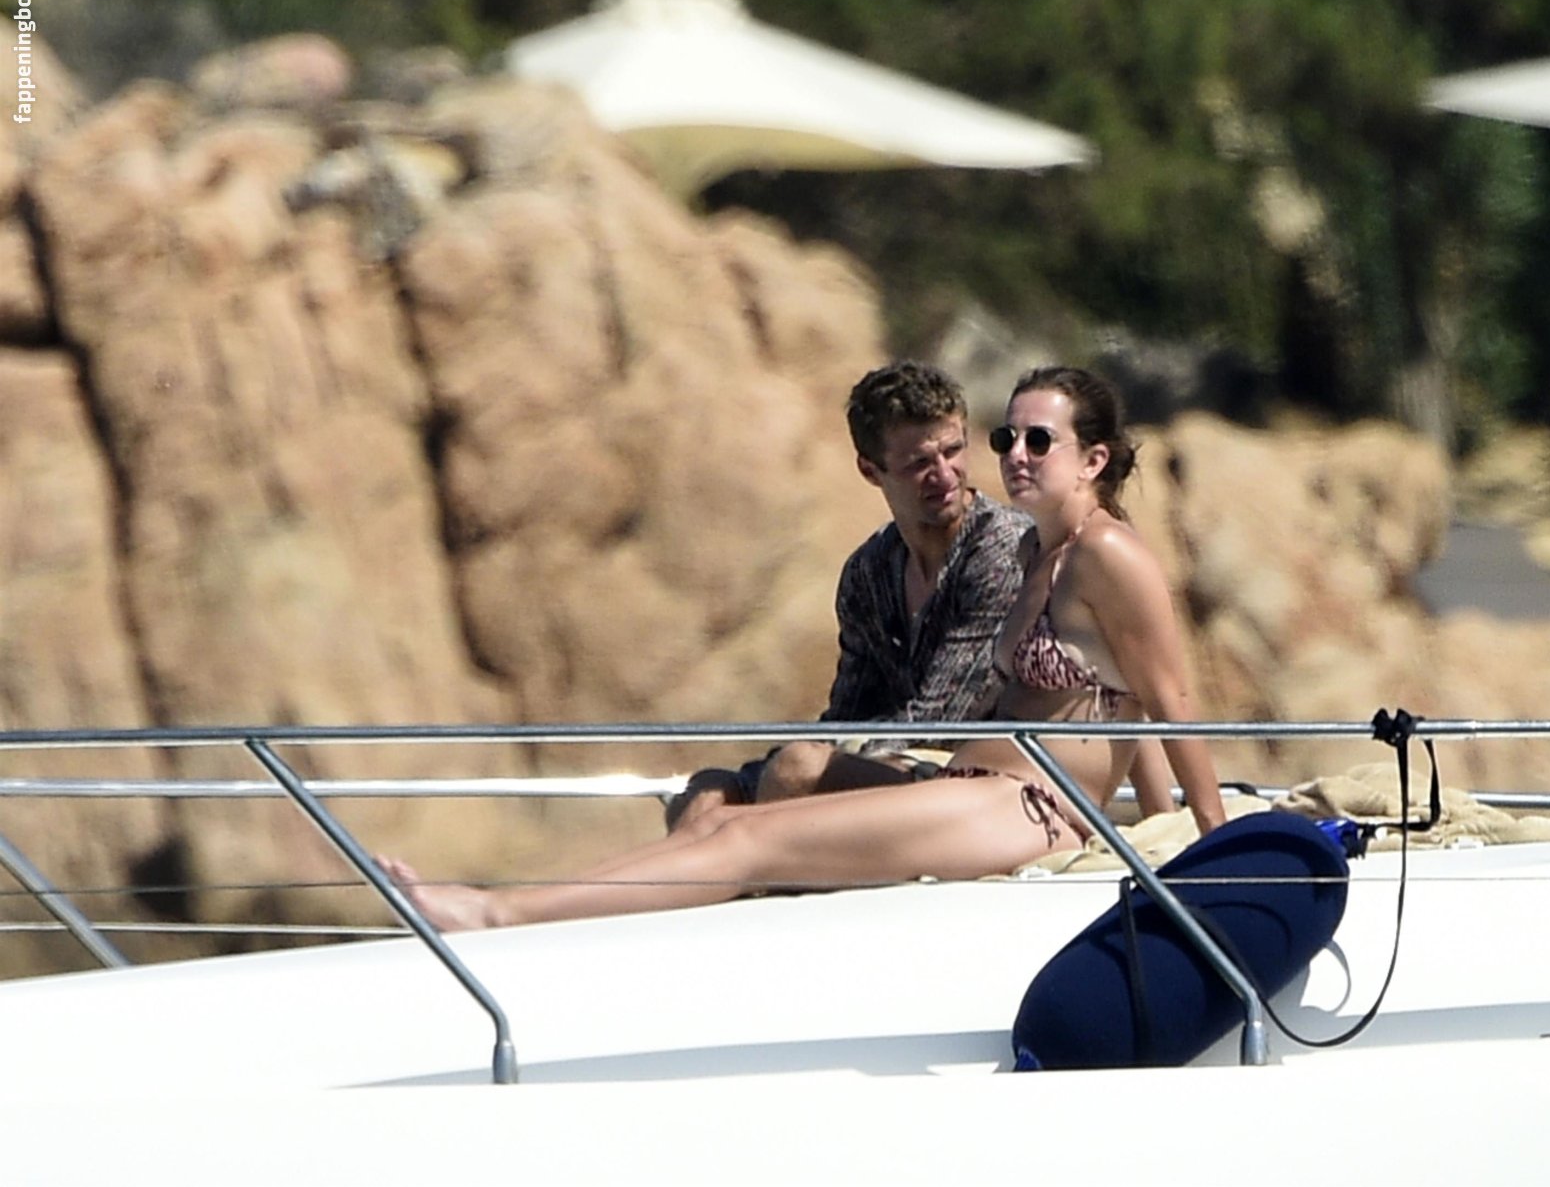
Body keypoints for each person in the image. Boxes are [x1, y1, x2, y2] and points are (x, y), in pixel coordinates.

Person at [378, 365, 1224, 929]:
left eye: (1038, 441)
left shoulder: (1103, 553)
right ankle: (535, 912)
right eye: (1008, 438)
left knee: (748, 839)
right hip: (976, 789)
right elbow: (1119, 702)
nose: (1012, 457)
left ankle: (498, 914)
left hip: (1030, 809)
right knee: (723, 816)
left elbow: (1169, 704)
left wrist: (1213, 849)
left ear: (1094, 458)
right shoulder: (1040, 551)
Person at [667, 360, 1035, 826]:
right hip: (903, 766)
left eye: (953, 450)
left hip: (986, 776)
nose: (944, 475)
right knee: (705, 795)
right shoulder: (869, 571)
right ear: (870, 470)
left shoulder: (1003, 550)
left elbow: (943, 719)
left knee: (797, 771)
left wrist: (800, 767)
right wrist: (753, 781)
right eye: (919, 463)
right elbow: (850, 712)